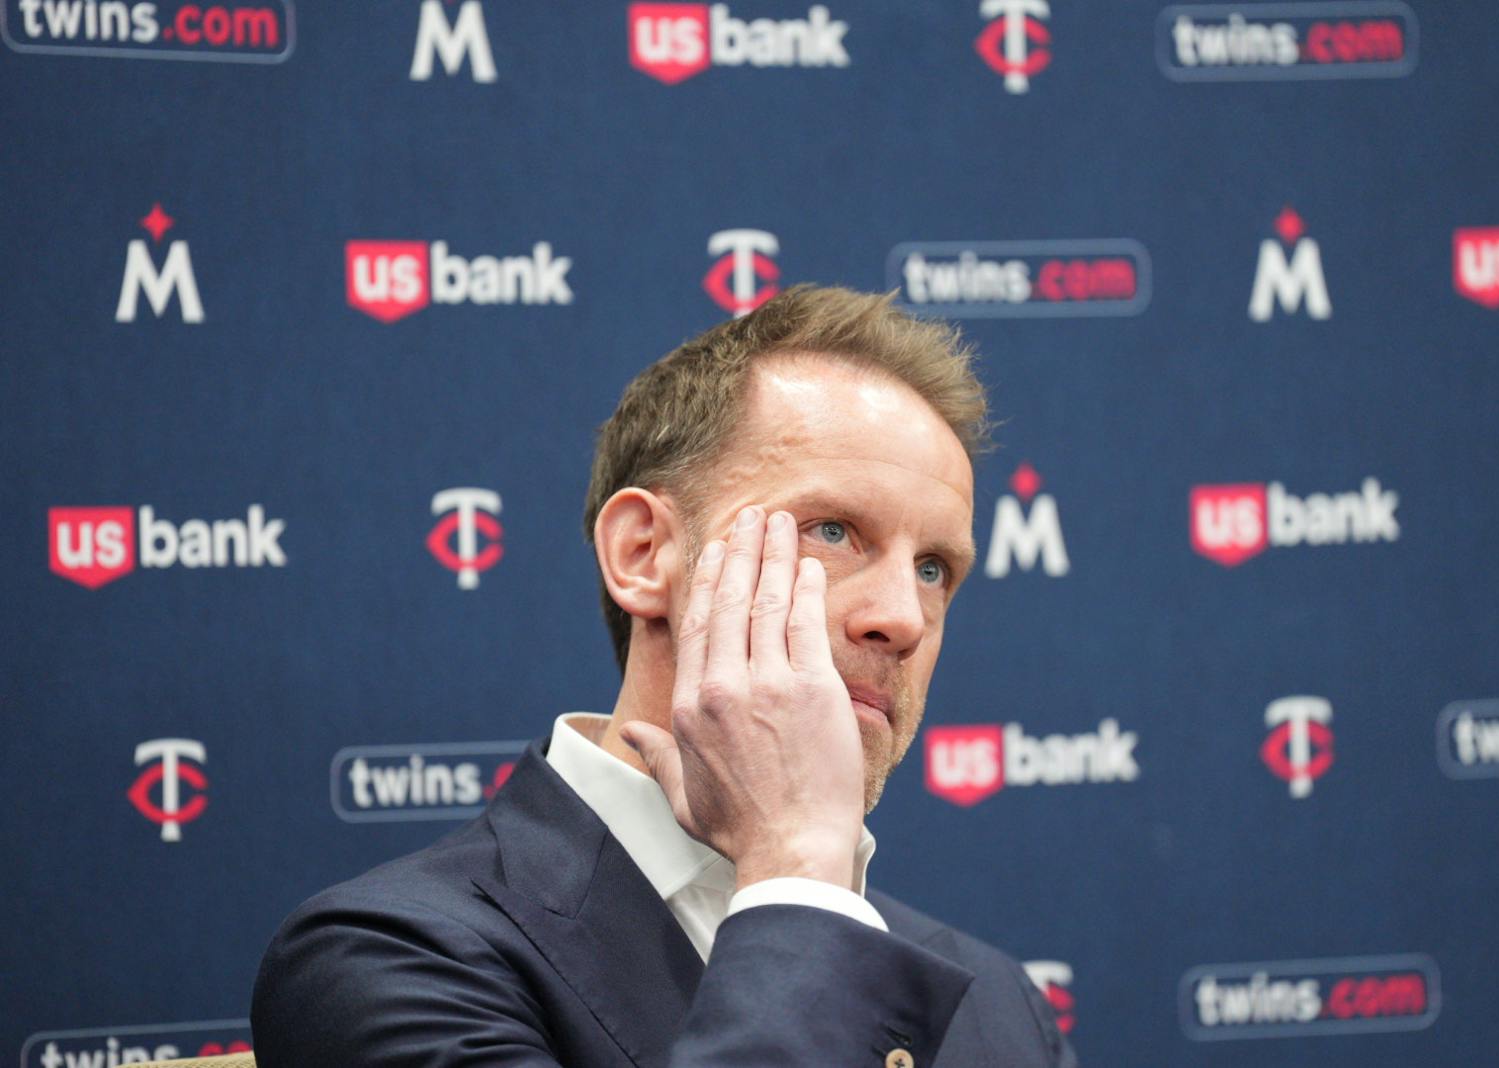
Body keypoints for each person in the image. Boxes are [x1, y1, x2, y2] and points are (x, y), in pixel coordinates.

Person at [252, 286, 1077, 1067]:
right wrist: (795, 864)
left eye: (934, 569)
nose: (901, 616)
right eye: (833, 530)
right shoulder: (387, 957)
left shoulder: (1001, 1007)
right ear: (643, 555)